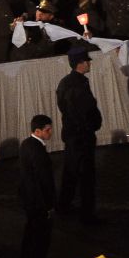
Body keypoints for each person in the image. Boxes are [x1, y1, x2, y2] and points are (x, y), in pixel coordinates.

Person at [54, 49, 102, 223]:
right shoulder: (78, 84)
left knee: (71, 171)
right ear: (80, 63)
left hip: (73, 134)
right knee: (86, 175)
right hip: (81, 135)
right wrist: (91, 125)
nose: (89, 63)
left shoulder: (66, 82)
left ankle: (64, 205)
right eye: (87, 61)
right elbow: (82, 110)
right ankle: (87, 214)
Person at [18, 115, 56, 258]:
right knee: (40, 240)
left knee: (30, 237)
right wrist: (48, 206)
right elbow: (43, 181)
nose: (51, 132)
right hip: (39, 203)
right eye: (47, 130)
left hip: (30, 201)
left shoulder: (26, 144)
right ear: (37, 131)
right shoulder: (38, 150)